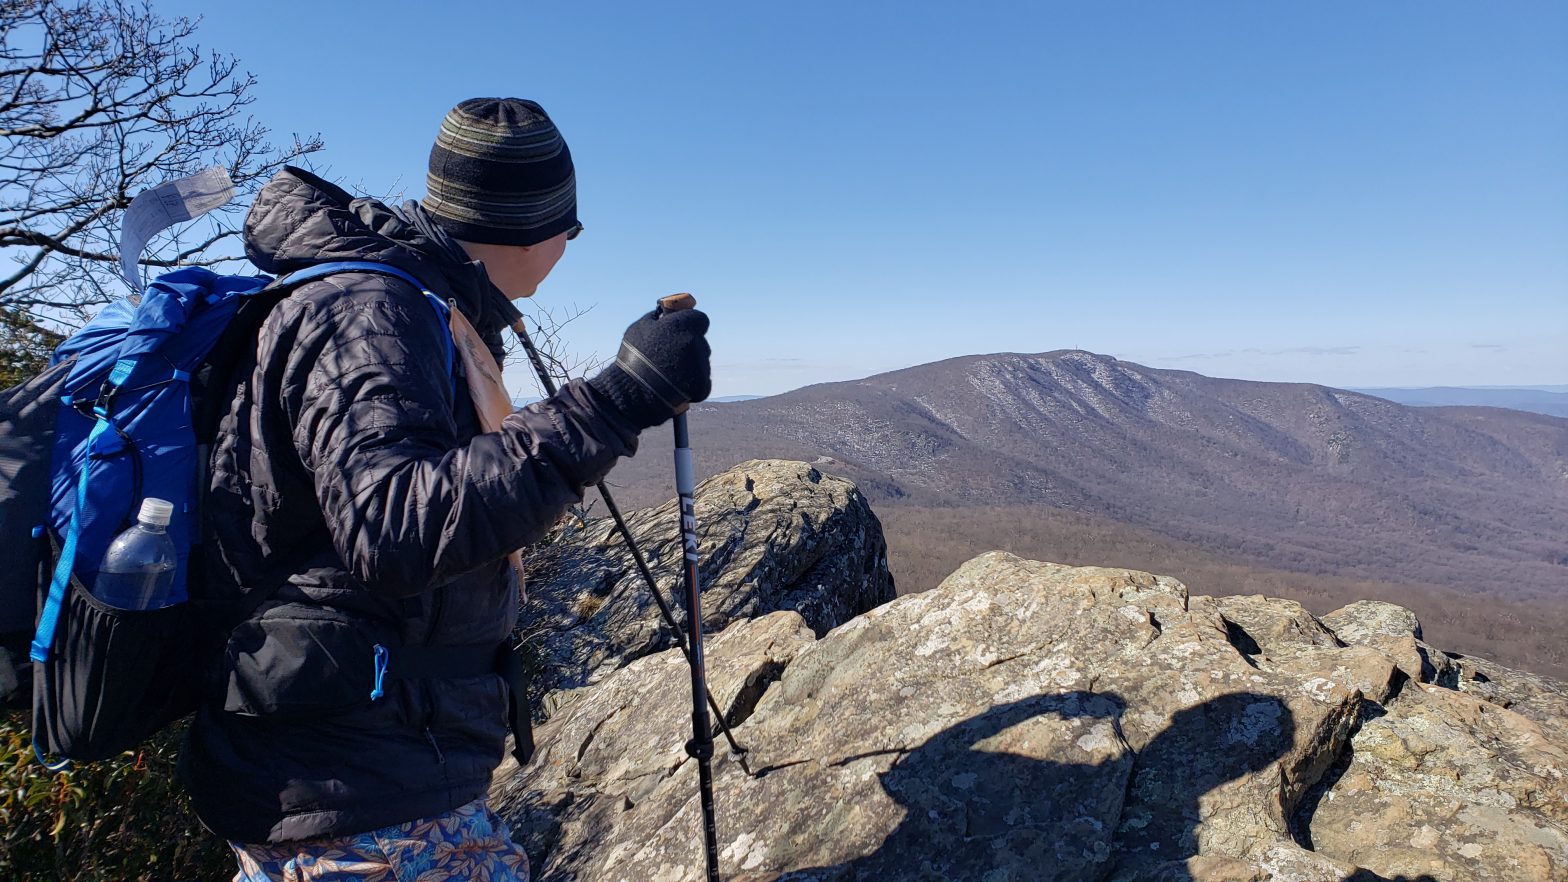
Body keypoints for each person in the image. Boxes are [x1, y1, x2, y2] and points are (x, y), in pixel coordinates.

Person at [176, 97, 711, 881]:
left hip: (361, 769)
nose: (570, 242)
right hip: (350, 787)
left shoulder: (415, 304)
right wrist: (616, 400)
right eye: (572, 224)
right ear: (530, 227)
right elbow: (393, 529)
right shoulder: (370, 312)